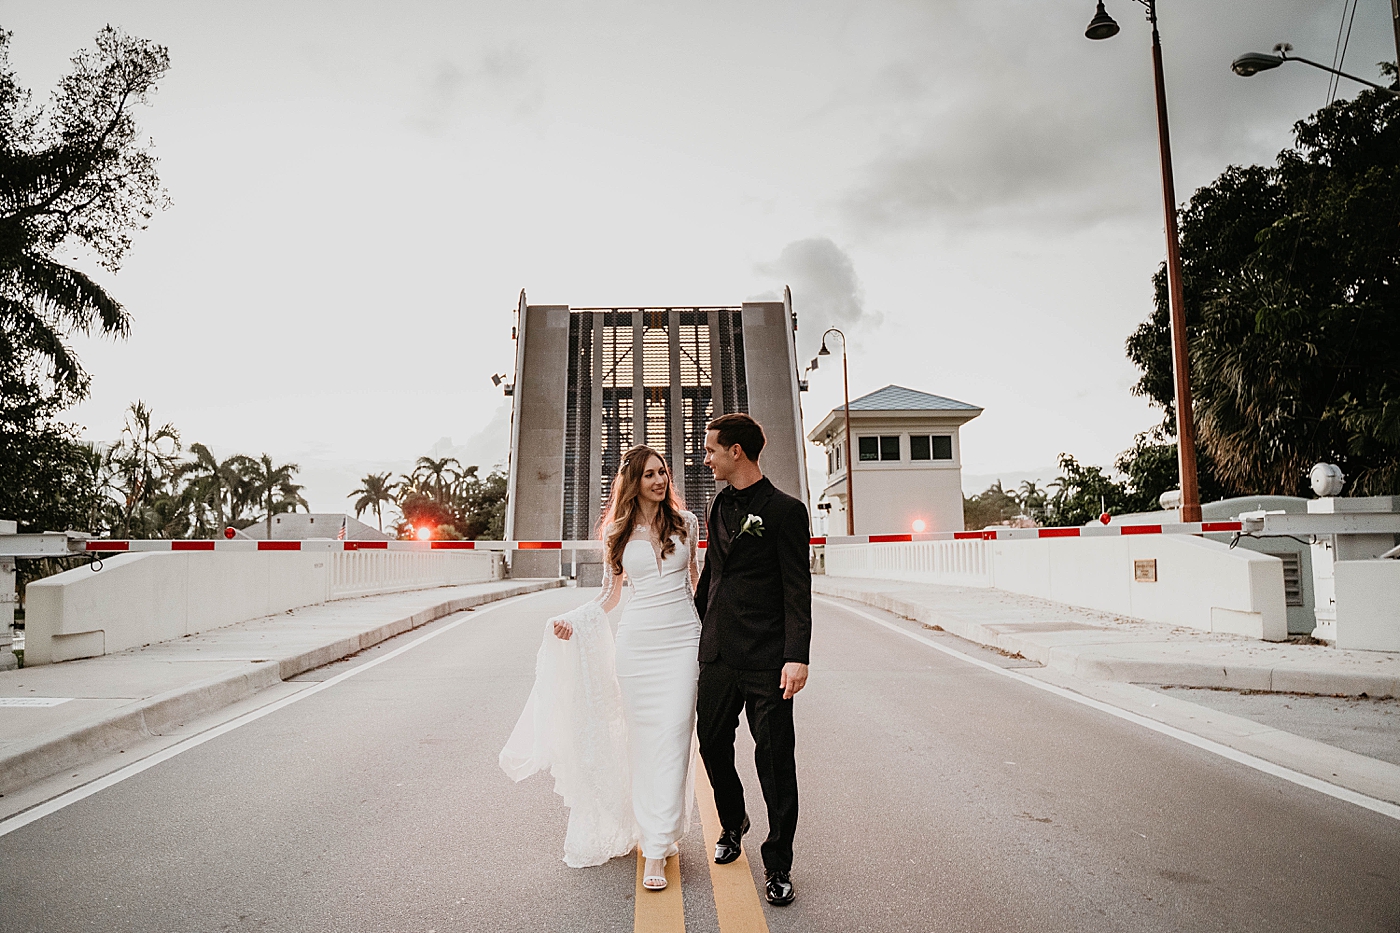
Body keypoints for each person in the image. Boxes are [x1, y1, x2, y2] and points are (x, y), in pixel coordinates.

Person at [499, 445, 701, 892]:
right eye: (649, 474)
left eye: (662, 472)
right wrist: (572, 619)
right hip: (637, 647)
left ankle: (659, 841)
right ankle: (654, 841)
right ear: (633, 482)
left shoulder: (687, 524)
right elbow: (609, 597)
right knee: (644, 745)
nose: (659, 480)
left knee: (675, 740)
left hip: (683, 643)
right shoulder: (616, 532)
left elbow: (696, 588)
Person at [694, 413, 811, 907]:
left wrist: (796, 656)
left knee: (775, 762)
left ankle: (778, 863)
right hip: (719, 652)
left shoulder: (786, 511)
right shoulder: (718, 503)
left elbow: (796, 588)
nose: (707, 458)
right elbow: (711, 577)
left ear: (736, 451)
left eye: (712, 450)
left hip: (767, 659)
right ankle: (733, 820)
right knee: (712, 745)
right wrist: (693, 629)